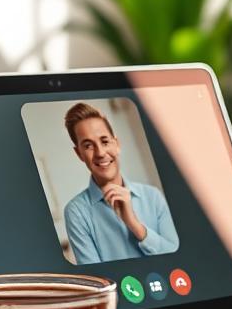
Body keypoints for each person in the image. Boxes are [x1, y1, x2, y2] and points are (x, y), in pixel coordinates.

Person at [61, 102, 179, 264]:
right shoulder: (76, 212)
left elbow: (177, 257)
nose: (100, 153)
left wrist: (135, 225)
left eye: (104, 141)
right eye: (88, 146)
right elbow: (96, 280)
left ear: (116, 144)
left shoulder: (153, 196)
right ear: (79, 154)